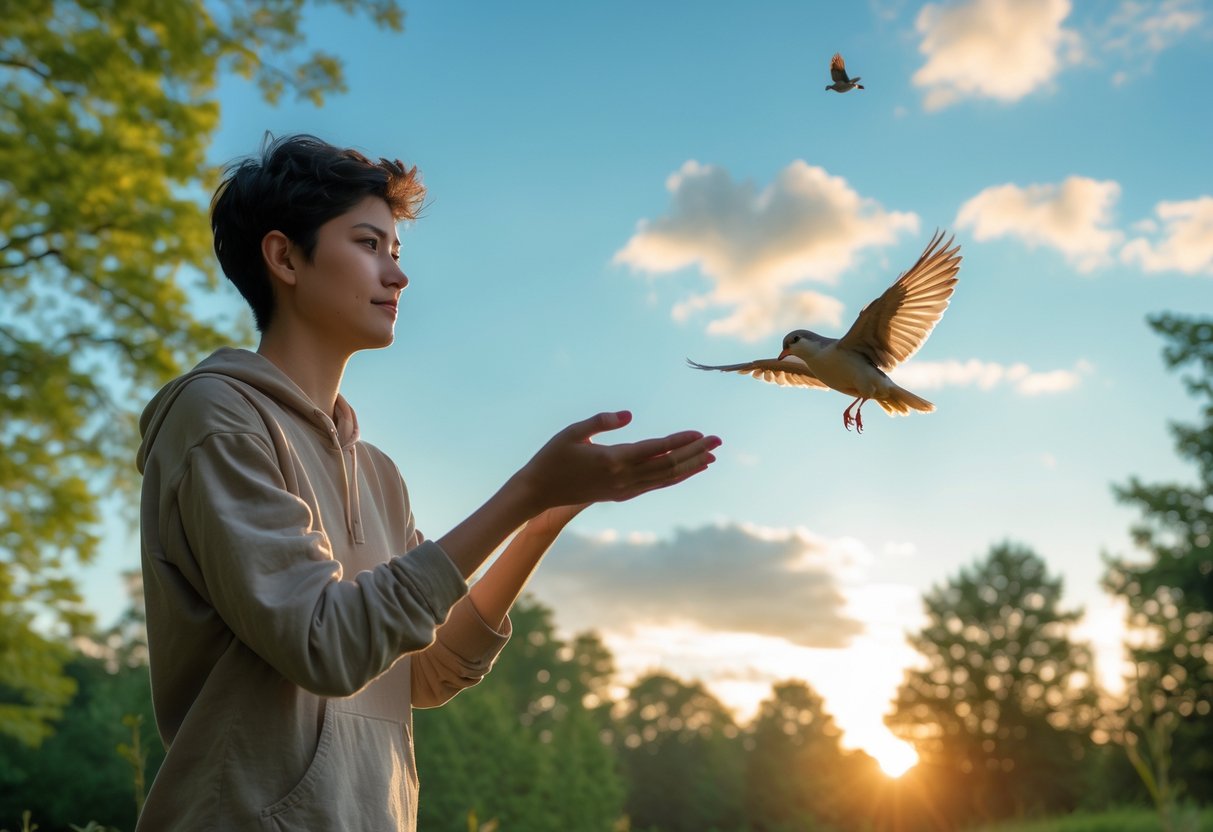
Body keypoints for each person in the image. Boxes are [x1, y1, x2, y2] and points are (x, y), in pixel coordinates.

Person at [133, 134, 720, 830]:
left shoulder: (377, 472)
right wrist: (520, 492)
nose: (398, 275)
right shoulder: (216, 419)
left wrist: (541, 519)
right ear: (284, 256)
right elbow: (327, 645)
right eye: (367, 244)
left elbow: (427, 670)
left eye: (397, 251)